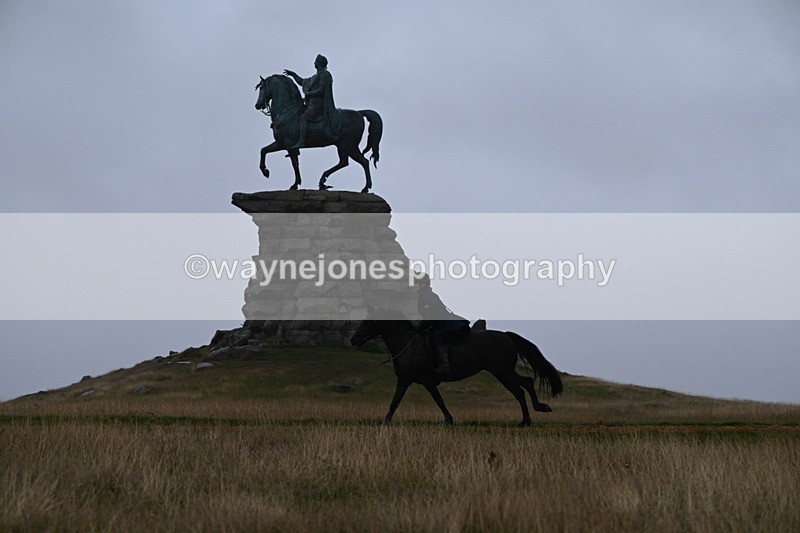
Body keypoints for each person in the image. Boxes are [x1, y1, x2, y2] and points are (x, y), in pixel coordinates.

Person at [414, 273, 470, 374]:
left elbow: (432, 315)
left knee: (437, 337)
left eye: (416, 283)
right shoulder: (424, 295)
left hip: (444, 323)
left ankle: (445, 366)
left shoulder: (427, 296)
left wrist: (421, 326)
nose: (414, 285)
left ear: (423, 284)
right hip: (438, 322)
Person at [283, 54, 341, 149]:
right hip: (312, 104)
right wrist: (293, 74)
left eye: (316, 61)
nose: (314, 63)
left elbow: (322, 89)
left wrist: (310, 94)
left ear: (319, 63)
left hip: (319, 104)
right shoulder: (316, 76)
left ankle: (301, 141)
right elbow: (303, 82)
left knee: (304, 117)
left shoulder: (325, 74)